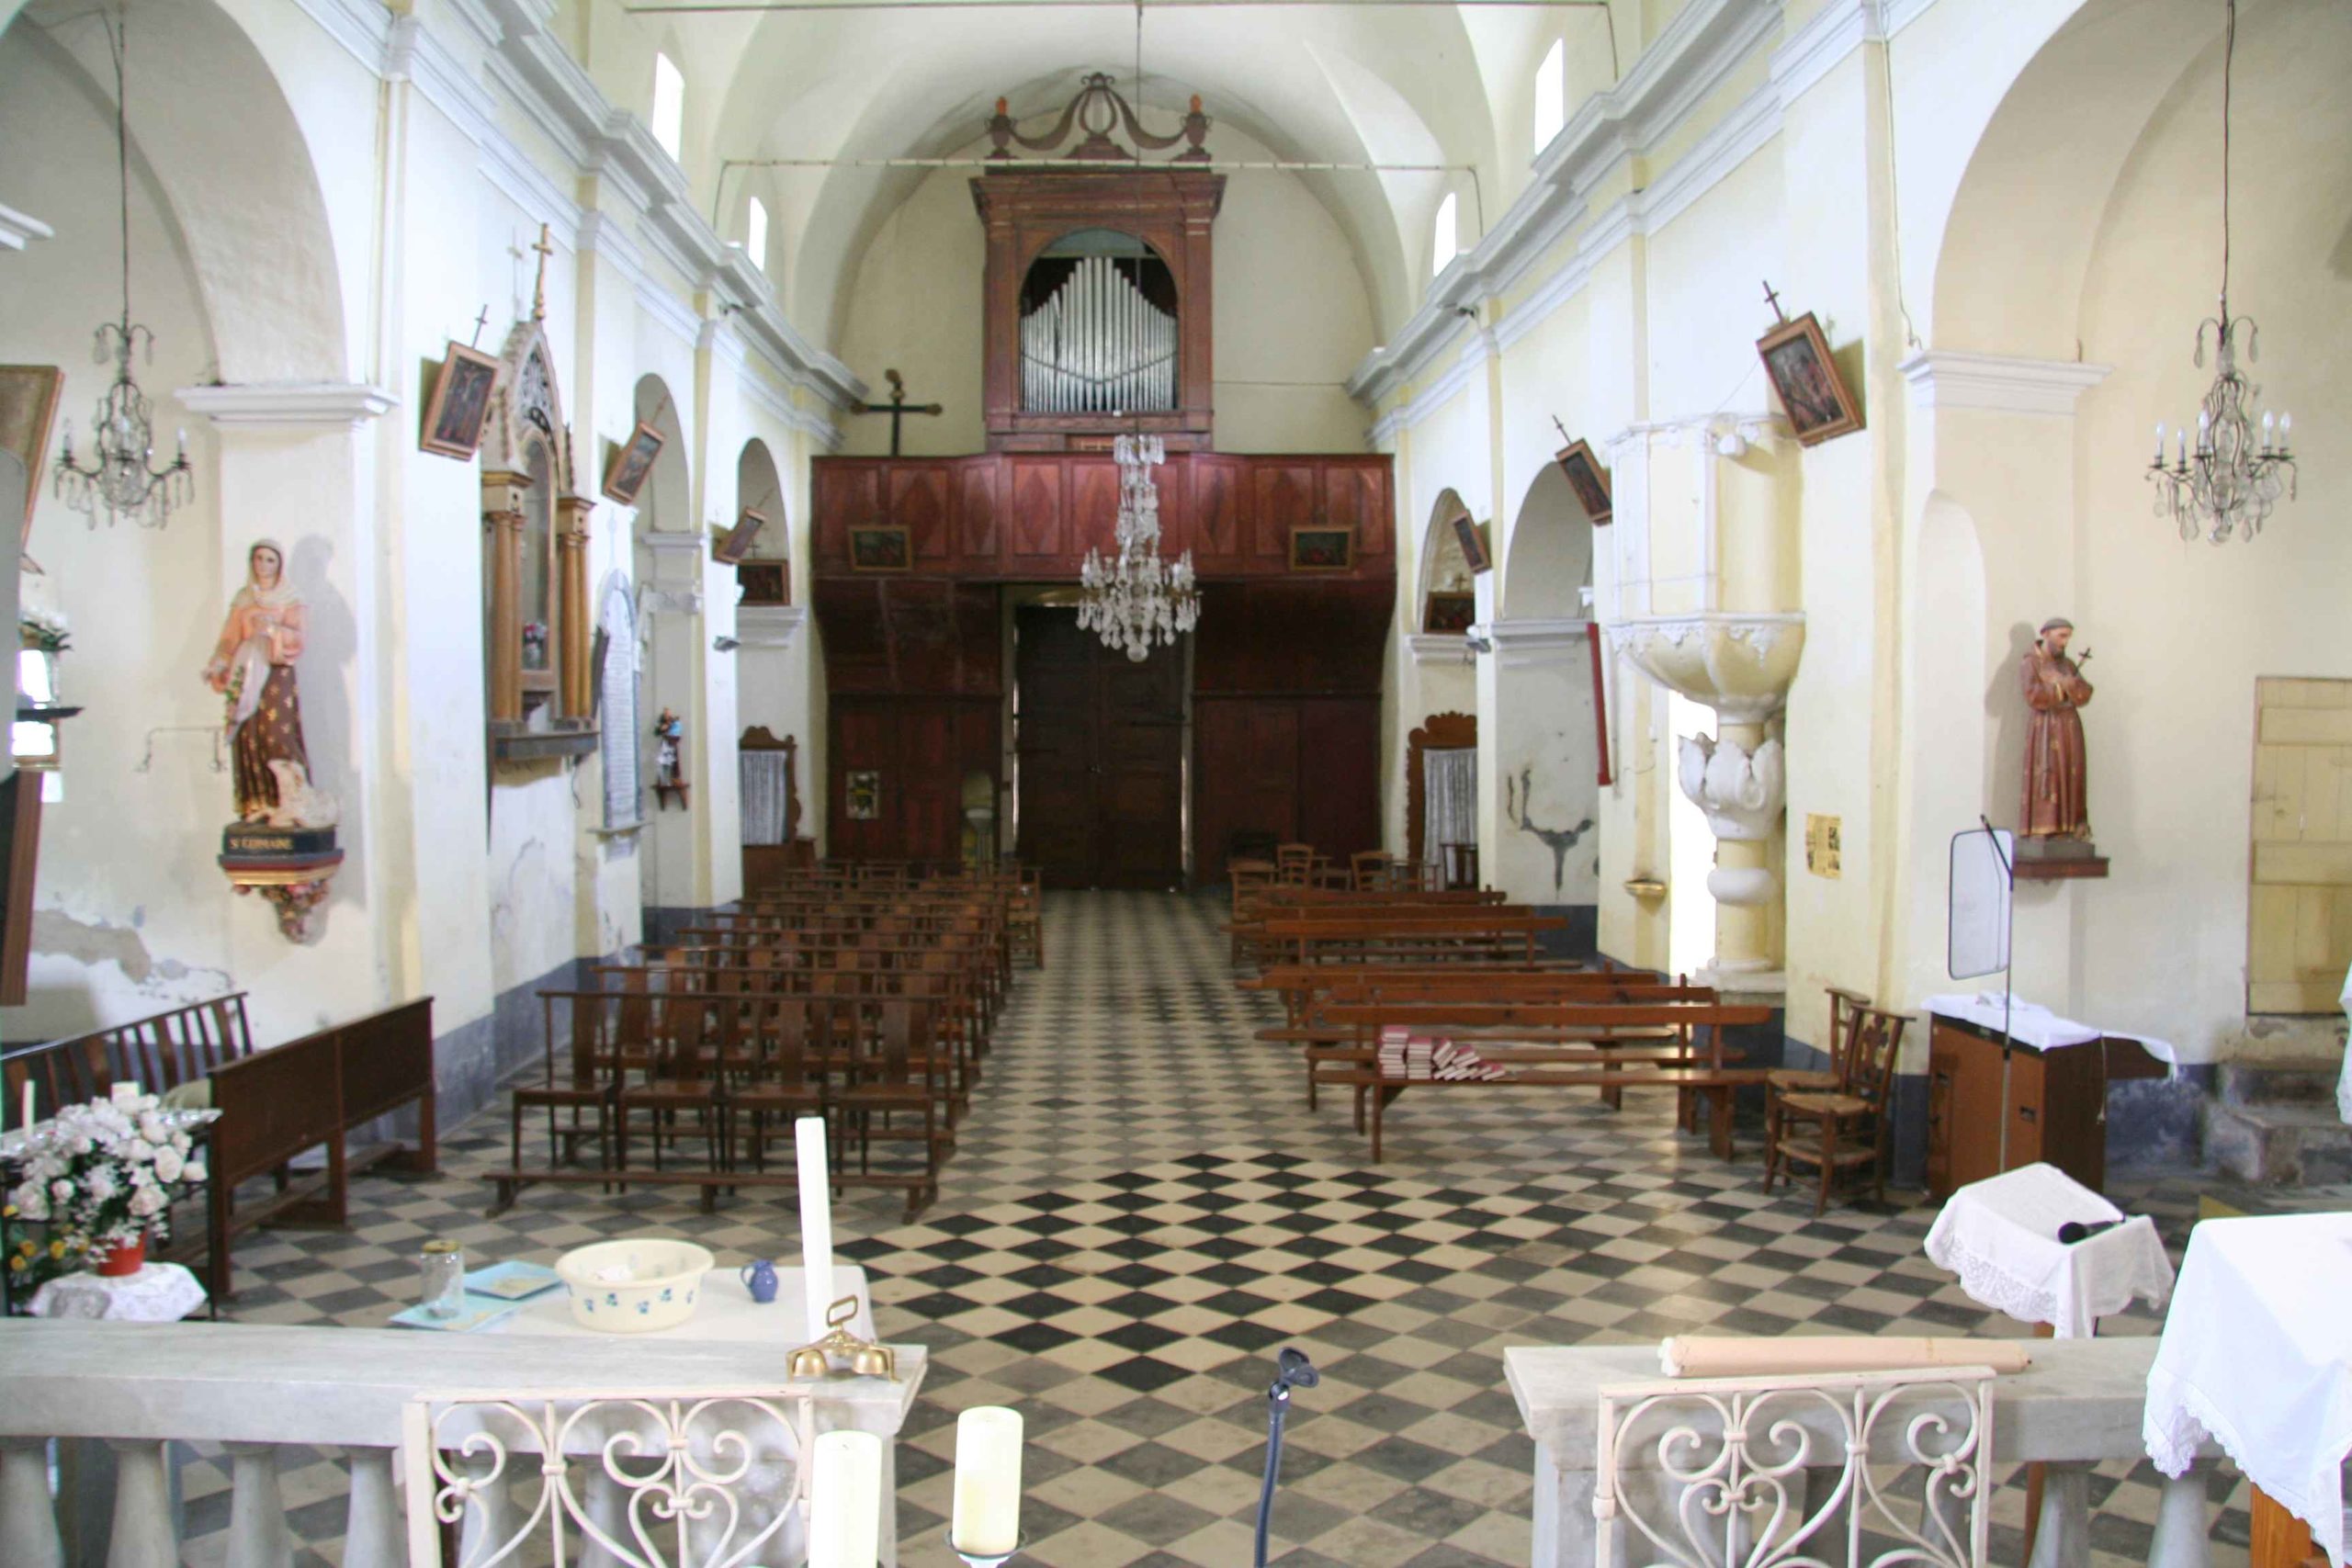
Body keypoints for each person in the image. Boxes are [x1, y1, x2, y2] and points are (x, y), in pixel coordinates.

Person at [203, 540, 312, 823]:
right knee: (248, 732)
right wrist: (218, 663)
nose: (263, 565)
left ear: (280, 564)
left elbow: (299, 637)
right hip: (247, 666)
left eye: (269, 560)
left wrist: (274, 630)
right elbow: (229, 639)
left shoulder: (291, 598)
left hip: (276, 670)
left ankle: (290, 802)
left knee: (277, 733)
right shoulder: (244, 599)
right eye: (259, 559)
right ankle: (257, 802)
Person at [2018, 616, 2094, 838]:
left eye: (2068, 637)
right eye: (2061, 636)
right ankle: (2047, 828)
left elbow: (2085, 693)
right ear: (2046, 634)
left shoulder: (2068, 664)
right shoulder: (2031, 662)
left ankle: (2070, 827)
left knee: (2072, 775)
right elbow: (2033, 695)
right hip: (2046, 727)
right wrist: (2060, 689)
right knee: (2049, 775)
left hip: (2069, 729)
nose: (2065, 642)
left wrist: (2071, 685)